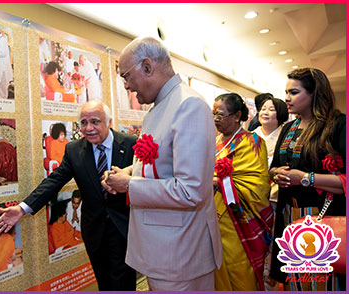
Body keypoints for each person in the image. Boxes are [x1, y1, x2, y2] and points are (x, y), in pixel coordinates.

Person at [101, 36, 221, 291]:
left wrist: (129, 185)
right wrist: (128, 171)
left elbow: (191, 191)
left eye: (126, 75)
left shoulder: (189, 105)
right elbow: (161, 163)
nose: (125, 86)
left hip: (179, 254)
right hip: (160, 249)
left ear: (147, 66)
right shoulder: (160, 107)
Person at [0, 100, 137, 290]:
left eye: (95, 121)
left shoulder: (130, 144)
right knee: (105, 282)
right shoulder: (74, 150)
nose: (89, 128)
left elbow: (147, 178)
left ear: (108, 122)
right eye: (83, 123)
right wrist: (22, 208)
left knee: (124, 282)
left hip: (125, 228)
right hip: (95, 230)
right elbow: (54, 181)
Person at [268, 67, 345, 291]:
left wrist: (305, 178)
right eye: (286, 92)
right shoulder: (288, 128)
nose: (286, 98)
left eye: (293, 92)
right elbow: (273, 169)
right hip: (289, 215)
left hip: (322, 217)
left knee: (321, 282)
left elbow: (345, 180)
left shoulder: (337, 125)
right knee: (296, 281)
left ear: (314, 94)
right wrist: (277, 174)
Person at [210, 93, 271, 290]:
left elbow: (256, 187)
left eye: (220, 115)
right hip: (210, 216)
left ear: (237, 116)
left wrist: (217, 183)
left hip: (238, 219)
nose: (215, 120)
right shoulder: (213, 142)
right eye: (213, 115)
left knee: (238, 269)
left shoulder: (252, 142)